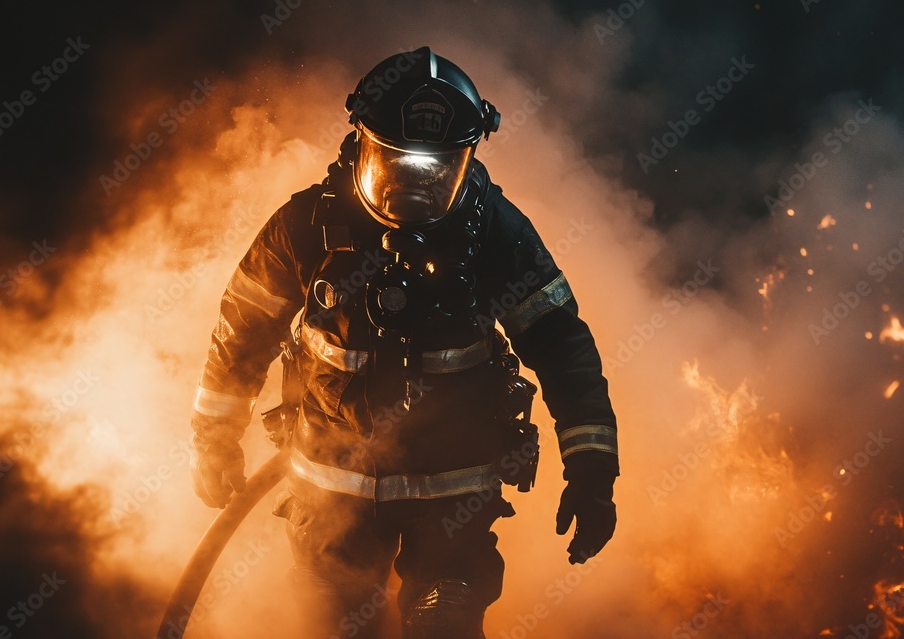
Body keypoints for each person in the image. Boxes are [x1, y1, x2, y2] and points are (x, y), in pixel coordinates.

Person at [188, 47, 619, 639]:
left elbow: (563, 349)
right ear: (360, 142)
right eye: (394, 164)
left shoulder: (495, 233)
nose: (413, 187)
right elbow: (243, 330)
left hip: (451, 500)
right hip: (330, 496)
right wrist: (212, 439)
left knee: (444, 625)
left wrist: (593, 472)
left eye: (437, 170)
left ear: (467, 159)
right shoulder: (308, 227)